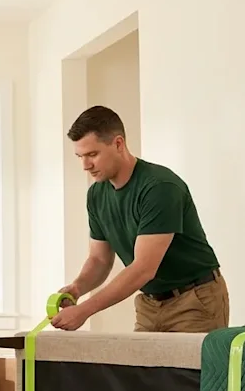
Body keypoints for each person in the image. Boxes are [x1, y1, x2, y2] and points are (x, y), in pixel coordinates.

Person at [51, 105, 229, 333]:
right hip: (149, 304)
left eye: (92, 155)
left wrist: (84, 311)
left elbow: (144, 268)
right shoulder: (96, 195)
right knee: (139, 369)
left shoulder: (159, 187)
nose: (85, 165)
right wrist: (77, 289)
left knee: (190, 370)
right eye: (80, 156)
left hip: (194, 300)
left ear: (118, 144)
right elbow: (99, 260)